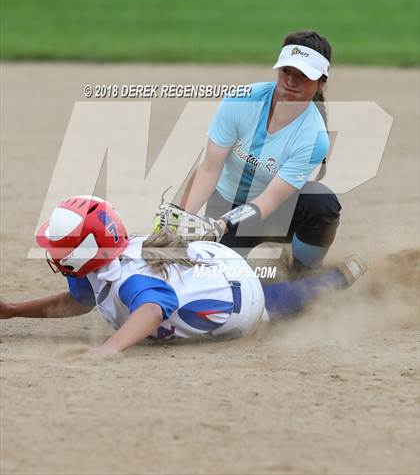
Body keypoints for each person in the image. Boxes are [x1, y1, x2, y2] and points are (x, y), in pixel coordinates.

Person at [0, 196, 365, 356]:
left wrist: (110, 348)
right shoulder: (101, 265)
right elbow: (78, 301)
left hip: (237, 297)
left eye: (59, 247)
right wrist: (14, 310)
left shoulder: (130, 280)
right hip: (209, 266)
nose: (53, 252)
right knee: (263, 290)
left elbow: (154, 307)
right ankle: (314, 281)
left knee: (271, 305)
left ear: (84, 254)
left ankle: (335, 281)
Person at [180, 30, 342, 273]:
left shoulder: (314, 137)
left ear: (321, 82)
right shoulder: (241, 100)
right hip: (226, 202)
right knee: (214, 277)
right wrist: (180, 220)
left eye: (303, 75)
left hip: (278, 212)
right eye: (286, 71)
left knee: (321, 201)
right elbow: (209, 169)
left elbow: (271, 199)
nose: (291, 81)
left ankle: (304, 277)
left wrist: (225, 223)